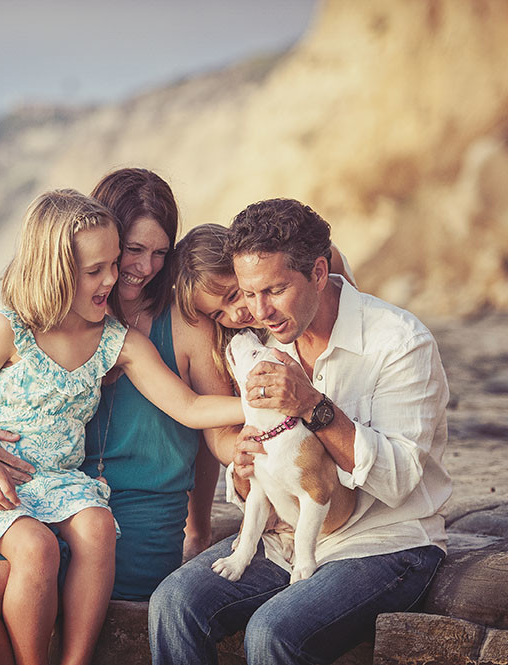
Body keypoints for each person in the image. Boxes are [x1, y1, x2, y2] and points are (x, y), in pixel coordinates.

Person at [0, 189, 242, 665]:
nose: (126, 273)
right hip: (0, 491)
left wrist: (264, 405)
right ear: (58, 269)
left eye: (156, 254)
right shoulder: (16, 325)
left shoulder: (121, 338)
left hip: (64, 497)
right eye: (119, 258)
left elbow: (193, 409)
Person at [149, 199, 452, 665]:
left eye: (274, 290)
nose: (259, 311)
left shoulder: (399, 342)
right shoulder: (264, 346)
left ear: (317, 271)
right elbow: (264, 468)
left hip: (386, 542)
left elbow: (398, 481)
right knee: (173, 603)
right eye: (248, 294)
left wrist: (311, 404)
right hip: (285, 541)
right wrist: (246, 465)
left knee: (274, 632)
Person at [173, 222, 357, 379]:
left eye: (233, 296)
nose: (236, 316)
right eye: (218, 314)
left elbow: (355, 306)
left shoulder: (302, 292)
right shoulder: (245, 350)